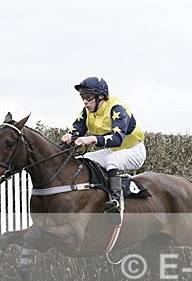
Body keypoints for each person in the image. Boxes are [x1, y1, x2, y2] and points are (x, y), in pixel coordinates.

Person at [60, 76, 146, 213]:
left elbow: (117, 139)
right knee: (84, 160)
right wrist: (70, 135)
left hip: (133, 151)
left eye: (88, 97)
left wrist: (92, 139)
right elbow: (77, 129)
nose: (85, 101)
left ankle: (116, 202)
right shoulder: (87, 111)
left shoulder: (117, 109)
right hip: (113, 150)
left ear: (101, 97)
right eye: (82, 96)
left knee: (111, 161)